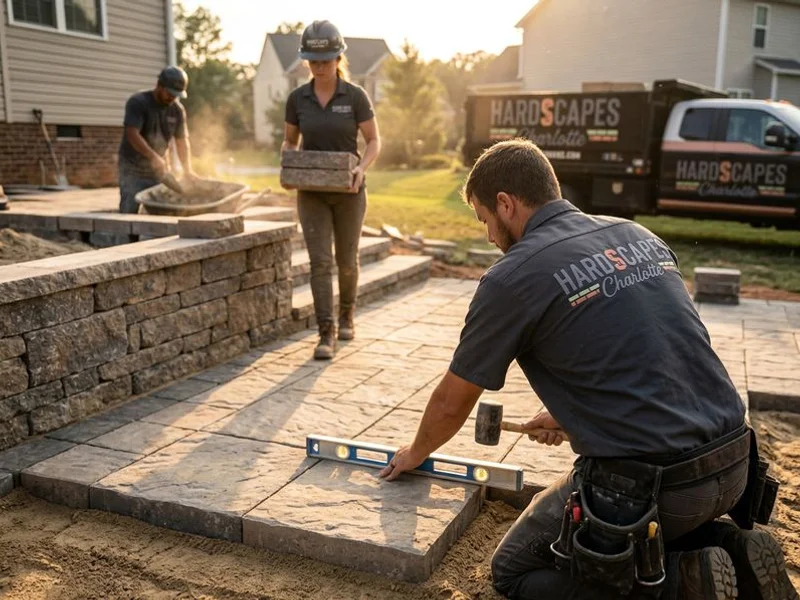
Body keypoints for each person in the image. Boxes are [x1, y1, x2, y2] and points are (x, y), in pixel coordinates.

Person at [379, 139, 797, 600]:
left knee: (516, 569)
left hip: (655, 487)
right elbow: (655, 353)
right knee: (632, 531)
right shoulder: (637, 235)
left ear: (505, 203)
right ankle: (735, 549)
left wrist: (416, 451)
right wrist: (569, 415)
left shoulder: (511, 278)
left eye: (485, 221)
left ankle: (684, 583)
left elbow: (452, 400)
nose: (490, 237)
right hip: (736, 463)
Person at [280, 20, 381, 360]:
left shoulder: (355, 96)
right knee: (320, 263)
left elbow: (373, 142)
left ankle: (347, 314)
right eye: (313, 61)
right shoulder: (297, 99)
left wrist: (360, 169)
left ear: (339, 58)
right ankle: (326, 333)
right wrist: (288, 165)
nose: (319, 67)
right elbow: (290, 142)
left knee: (347, 261)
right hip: (311, 193)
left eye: (326, 60)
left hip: (350, 192)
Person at [117, 66, 196, 214]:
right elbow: (132, 134)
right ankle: (126, 237)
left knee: (161, 210)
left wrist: (187, 170)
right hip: (132, 169)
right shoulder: (138, 102)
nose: (172, 98)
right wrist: (153, 157)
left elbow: (182, 142)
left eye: (176, 95)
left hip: (158, 171)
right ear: (159, 85)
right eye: (169, 93)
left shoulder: (177, 110)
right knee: (130, 209)